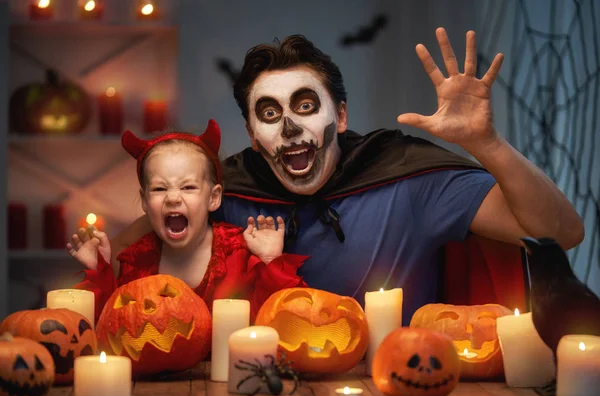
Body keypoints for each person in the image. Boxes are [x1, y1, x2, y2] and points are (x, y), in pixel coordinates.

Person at [112, 28, 584, 325]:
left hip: (394, 390)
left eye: (304, 105)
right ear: (254, 138)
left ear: (338, 116)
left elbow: (562, 233)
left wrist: (487, 144)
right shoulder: (228, 191)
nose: (290, 127)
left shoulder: (408, 178)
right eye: (270, 112)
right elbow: (127, 254)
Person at [67, 120, 308, 323]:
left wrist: (270, 261)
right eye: (160, 188)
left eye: (188, 187)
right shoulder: (138, 263)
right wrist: (99, 271)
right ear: (144, 201)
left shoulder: (238, 252)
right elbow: (115, 324)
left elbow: (280, 318)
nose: (172, 198)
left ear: (213, 198)